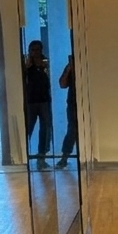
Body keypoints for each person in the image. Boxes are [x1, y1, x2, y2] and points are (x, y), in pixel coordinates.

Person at [24, 39, 52, 169]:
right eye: (33, 50)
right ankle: (23, 156)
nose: (35, 53)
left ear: (41, 51)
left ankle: (42, 157)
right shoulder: (26, 64)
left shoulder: (45, 62)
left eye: (38, 50)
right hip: (30, 101)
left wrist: (43, 67)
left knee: (45, 129)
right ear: (29, 51)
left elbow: (49, 78)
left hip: (44, 100)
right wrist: (27, 67)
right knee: (28, 128)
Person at [56, 54, 77, 168]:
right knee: (72, 130)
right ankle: (64, 157)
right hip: (73, 103)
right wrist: (69, 68)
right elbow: (62, 84)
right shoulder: (70, 67)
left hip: (87, 101)